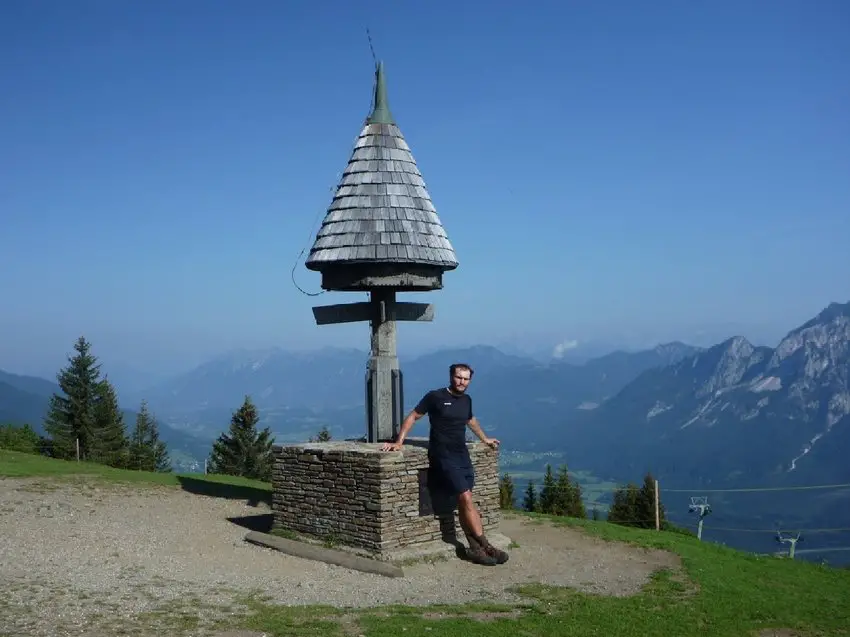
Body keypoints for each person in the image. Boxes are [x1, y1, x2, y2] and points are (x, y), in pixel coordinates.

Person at [380, 363, 509, 566]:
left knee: (466, 500)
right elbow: (413, 416)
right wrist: (399, 442)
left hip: (462, 454)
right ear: (451, 376)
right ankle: (486, 545)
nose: (462, 382)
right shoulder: (436, 397)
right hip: (443, 455)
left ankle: (476, 549)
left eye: (466, 379)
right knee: (465, 497)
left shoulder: (466, 400)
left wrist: (484, 439)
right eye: (459, 377)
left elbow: (470, 420)